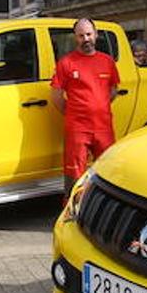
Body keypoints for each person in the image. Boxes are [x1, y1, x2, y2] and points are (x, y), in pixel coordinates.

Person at [51, 17, 120, 195]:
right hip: (77, 128)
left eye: (89, 34)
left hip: (103, 127)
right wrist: (74, 112)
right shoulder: (66, 63)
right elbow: (56, 96)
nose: (86, 39)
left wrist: (98, 106)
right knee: (74, 172)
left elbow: (112, 90)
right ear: (76, 38)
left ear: (95, 35)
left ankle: (103, 208)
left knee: (107, 169)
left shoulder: (107, 61)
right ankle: (71, 211)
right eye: (81, 36)